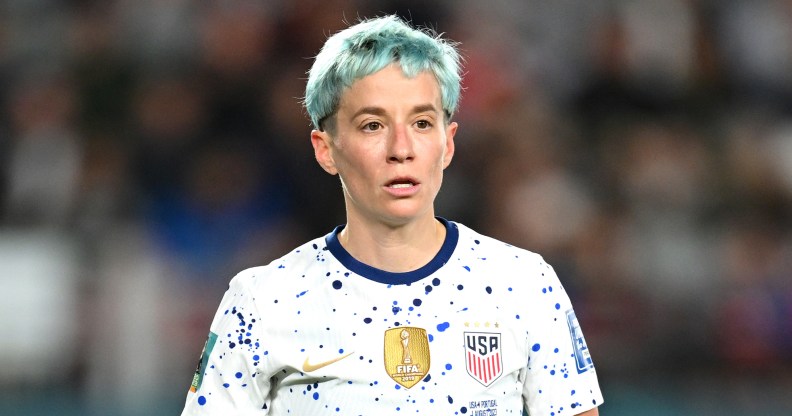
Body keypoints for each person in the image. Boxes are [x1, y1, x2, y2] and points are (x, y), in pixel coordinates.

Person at [181, 15, 603, 416]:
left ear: (448, 142)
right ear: (325, 148)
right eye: (372, 125)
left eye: (421, 123)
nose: (402, 149)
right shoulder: (262, 300)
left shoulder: (524, 284)